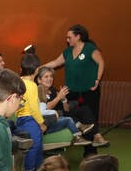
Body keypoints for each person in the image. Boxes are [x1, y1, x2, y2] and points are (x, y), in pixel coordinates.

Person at [42, 24, 107, 154]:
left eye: (69, 37)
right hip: (71, 92)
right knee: (70, 113)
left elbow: (101, 62)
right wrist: (39, 68)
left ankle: (90, 152)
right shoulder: (67, 52)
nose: (67, 40)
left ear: (78, 36)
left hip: (90, 91)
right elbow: (55, 62)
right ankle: (78, 137)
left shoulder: (90, 49)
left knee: (90, 118)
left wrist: (97, 79)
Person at [36, 66, 106, 146]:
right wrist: (58, 97)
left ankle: (96, 135)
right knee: (67, 116)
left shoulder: (53, 90)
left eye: (51, 76)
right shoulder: (38, 90)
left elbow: (67, 110)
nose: (50, 79)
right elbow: (45, 108)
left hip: (59, 115)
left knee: (84, 109)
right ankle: (81, 128)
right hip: (48, 120)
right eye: (46, 77)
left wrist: (64, 100)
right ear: (39, 80)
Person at [14, 54, 47, 171]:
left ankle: (37, 169)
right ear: (37, 69)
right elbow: (34, 108)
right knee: (35, 144)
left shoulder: (19, 81)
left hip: (20, 119)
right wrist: (42, 123)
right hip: (30, 119)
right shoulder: (32, 85)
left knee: (33, 144)